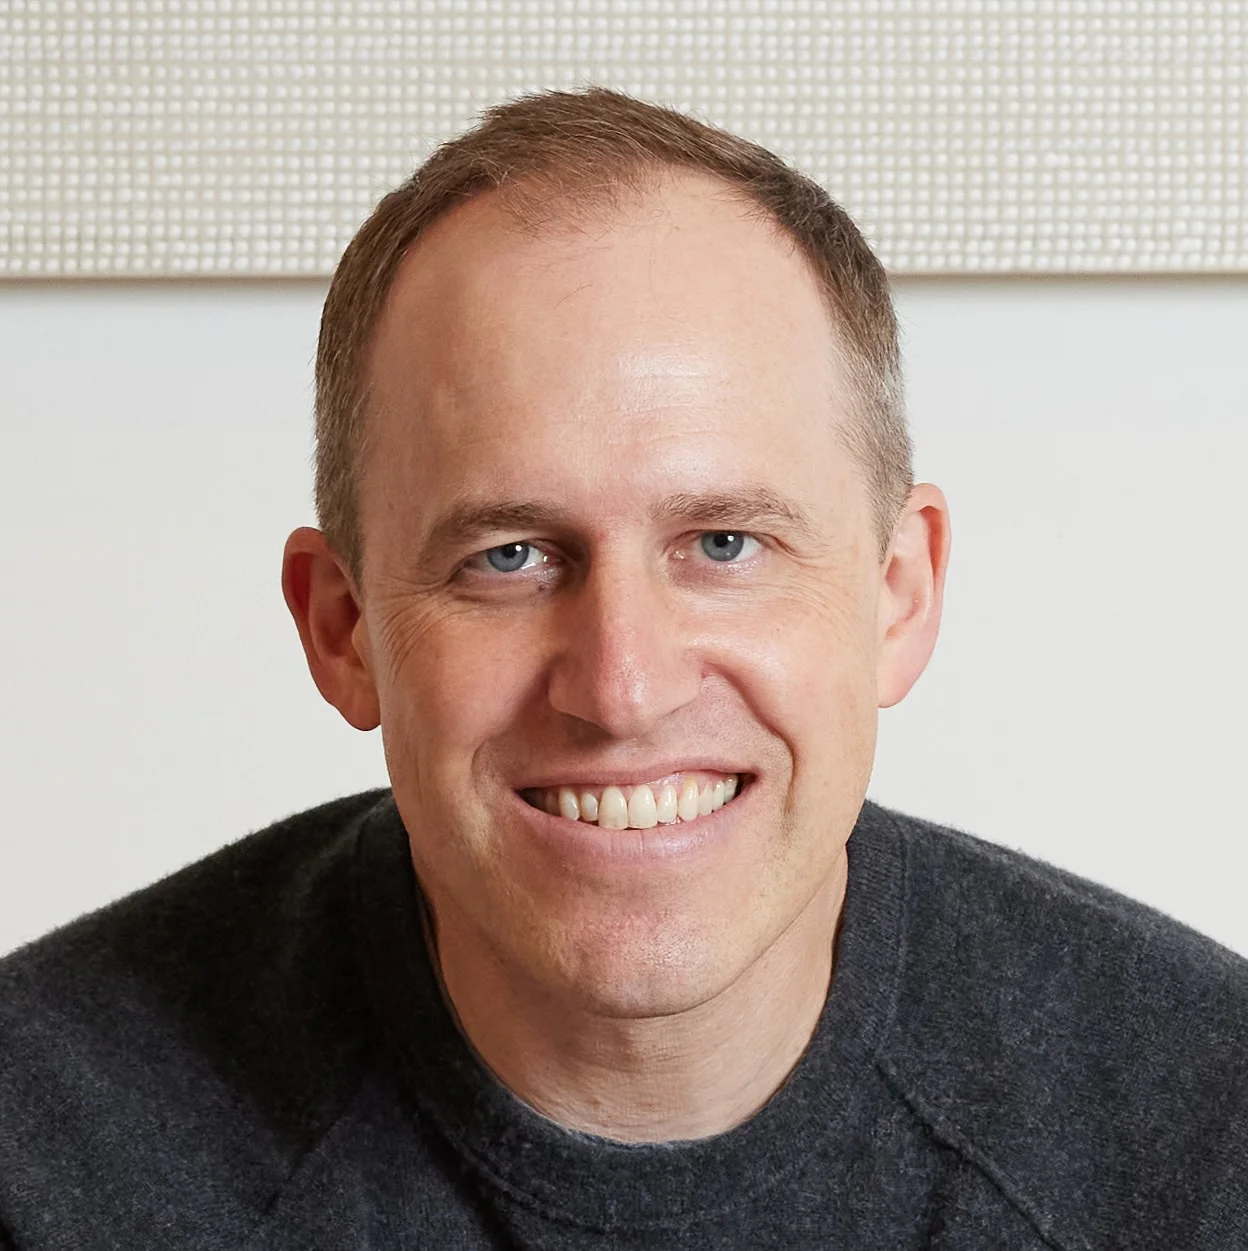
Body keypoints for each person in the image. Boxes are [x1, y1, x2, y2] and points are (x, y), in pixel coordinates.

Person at [1, 87, 1244, 1250]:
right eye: (508, 557)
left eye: (725, 544)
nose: (623, 687)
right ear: (343, 629)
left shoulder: (1203, 1136)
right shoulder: (41, 1152)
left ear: (898, 594)